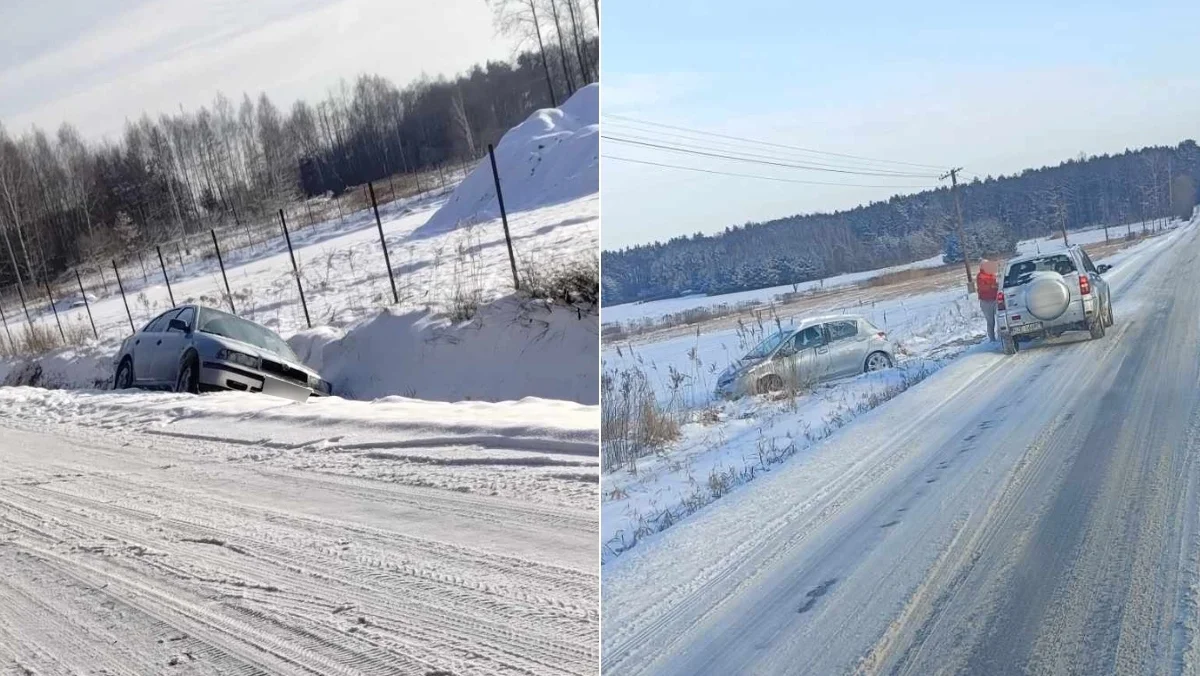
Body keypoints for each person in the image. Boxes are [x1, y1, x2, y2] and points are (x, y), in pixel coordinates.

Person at [977, 259, 999, 341]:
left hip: (995, 299)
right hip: (986, 302)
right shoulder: (980, 276)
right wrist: (992, 286)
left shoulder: (992, 275)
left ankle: (1001, 336)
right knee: (990, 321)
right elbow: (983, 288)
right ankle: (992, 338)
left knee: (1000, 318)